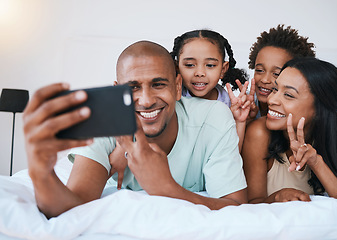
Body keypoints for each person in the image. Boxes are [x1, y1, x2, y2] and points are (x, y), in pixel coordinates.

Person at [24, 40, 247, 219]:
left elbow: (236, 206)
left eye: (158, 84)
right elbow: (70, 207)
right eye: (132, 88)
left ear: (178, 87)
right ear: (116, 93)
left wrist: (166, 188)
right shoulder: (105, 123)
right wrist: (40, 170)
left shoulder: (215, 117)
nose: (147, 100)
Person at [242, 57, 337, 203]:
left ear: (319, 109)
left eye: (288, 95)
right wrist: (277, 197)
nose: (271, 100)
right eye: (275, 89)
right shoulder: (259, 133)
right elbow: (250, 203)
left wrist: (316, 163)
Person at [170, 29, 251, 151]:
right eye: (190, 65)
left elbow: (232, 154)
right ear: (177, 67)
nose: (200, 73)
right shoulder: (171, 99)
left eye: (210, 65)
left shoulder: (229, 105)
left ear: (223, 69)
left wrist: (240, 122)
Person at [247, 24, 316, 119]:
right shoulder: (245, 103)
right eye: (259, 70)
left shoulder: (297, 112)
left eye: (276, 74)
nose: (265, 80)